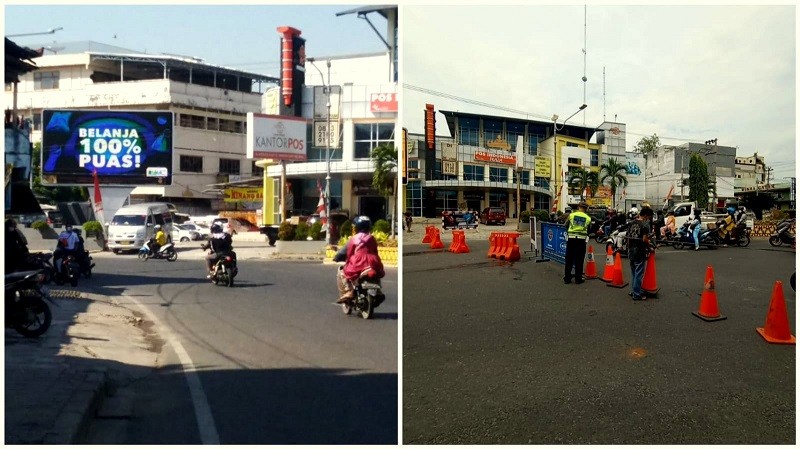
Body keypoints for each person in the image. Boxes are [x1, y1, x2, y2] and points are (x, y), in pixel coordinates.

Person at [336, 216, 385, 302]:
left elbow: (349, 253)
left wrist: (338, 257)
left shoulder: (353, 239)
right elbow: (375, 251)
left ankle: (349, 291)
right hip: (373, 261)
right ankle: (378, 291)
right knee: (375, 272)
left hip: (357, 262)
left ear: (356, 227)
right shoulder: (372, 238)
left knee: (342, 272)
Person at [626, 206, 654, 301]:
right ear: (645, 215)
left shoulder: (631, 223)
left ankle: (633, 290)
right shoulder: (644, 225)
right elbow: (645, 239)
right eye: (649, 217)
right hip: (639, 250)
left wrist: (628, 249)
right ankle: (636, 294)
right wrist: (649, 248)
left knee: (634, 272)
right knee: (638, 273)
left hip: (631, 250)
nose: (648, 219)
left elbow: (628, 238)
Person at [563, 202, 591, 285]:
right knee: (579, 260)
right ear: (586, 209)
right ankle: (578, 279)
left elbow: (566, 225)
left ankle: (567, 278)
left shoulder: (572, 215)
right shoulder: (588, 218)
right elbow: (589, 230)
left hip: (571, 239)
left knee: (569, 259)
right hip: (581, 240)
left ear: (578, 207)